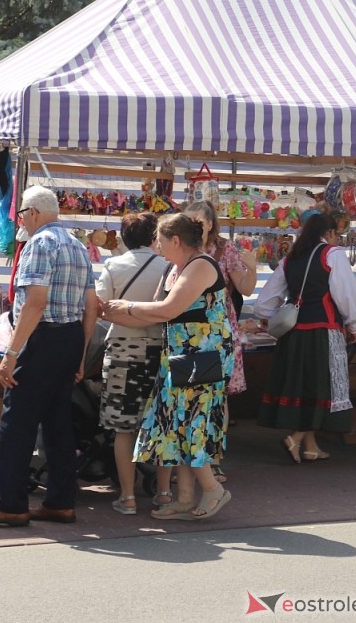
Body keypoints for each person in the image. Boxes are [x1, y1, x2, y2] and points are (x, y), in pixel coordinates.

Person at [0, 186, 99, 526]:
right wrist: (82, 352)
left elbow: (35, 303)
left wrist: (11, 353)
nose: (20, 221)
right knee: (58, 423)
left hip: (42, 338)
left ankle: (12, 504)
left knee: (18, 424)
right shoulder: (77, 244)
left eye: (22, 214)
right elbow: (90, 306)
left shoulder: (40, 244)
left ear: (34, 213)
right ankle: (60, 501)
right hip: (69, 336)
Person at [103, 213, 233, 520]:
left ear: (175, 240)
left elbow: (167, 309)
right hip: (181, 353)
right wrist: (110, 314)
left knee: (191, 422)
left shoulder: (201, 265)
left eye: (160, 240)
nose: (157, 246)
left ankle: (213, 489)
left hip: (202, 354)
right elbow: (156, 315)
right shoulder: (175, 269)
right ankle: (186, 498)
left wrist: (126, 306)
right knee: (178, 423)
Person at [252, 212, 356, 463]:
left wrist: (271, 317)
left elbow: (264, 302)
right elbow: (346, 295)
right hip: (322, 332)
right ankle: (297, 438)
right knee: (320, 388)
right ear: (330, 233)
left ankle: (311, 447)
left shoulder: (291, 259)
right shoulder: (332, 254)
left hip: (293, 334)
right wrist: (353, 324)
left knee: (304, 389)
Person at [94, 212, 169, 515]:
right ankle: (164, 493)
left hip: (123, 349)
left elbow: (99, 306)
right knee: (162, 424)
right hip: (161, 351)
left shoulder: (114, 265)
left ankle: (127, 497)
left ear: (123, 239)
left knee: (123, 429)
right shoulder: (170, 267)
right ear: (155, 237)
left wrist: (122, 314)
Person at [181, 199, 258, 483]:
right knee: (188, 396)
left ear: (211, 223)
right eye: (188, 221)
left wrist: (252, 267)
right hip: (186, 329)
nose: (194, 226)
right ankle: (187, 463)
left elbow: (246, 289)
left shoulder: (225, 249)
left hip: (217, 330)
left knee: (216, 397)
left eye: (198, 221)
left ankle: (212, 459)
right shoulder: (180, 248)